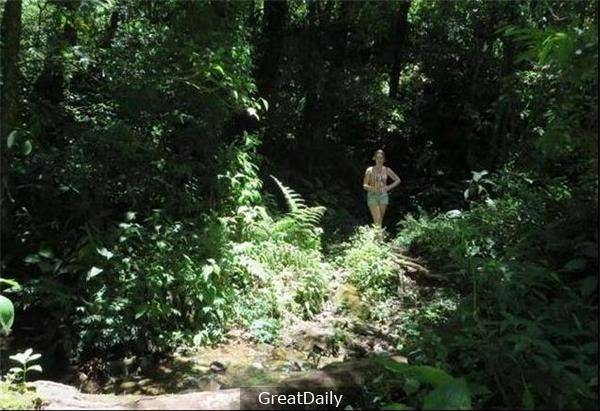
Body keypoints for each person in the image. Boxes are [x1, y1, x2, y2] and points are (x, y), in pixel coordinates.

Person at [363, 149, 401, 228]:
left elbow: (398, 180)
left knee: (379, 221)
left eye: (381, 158)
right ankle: (378, 236)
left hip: (383, 196)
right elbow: (364, 185)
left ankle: (376, 235)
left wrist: (388, 187)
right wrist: (373, 188)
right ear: (374, 158)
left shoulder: (387, 170)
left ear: (384, 160)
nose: (379, 160)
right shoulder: (369, 170)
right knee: (378, 220)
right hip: (372, 195)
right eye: (377, 157)